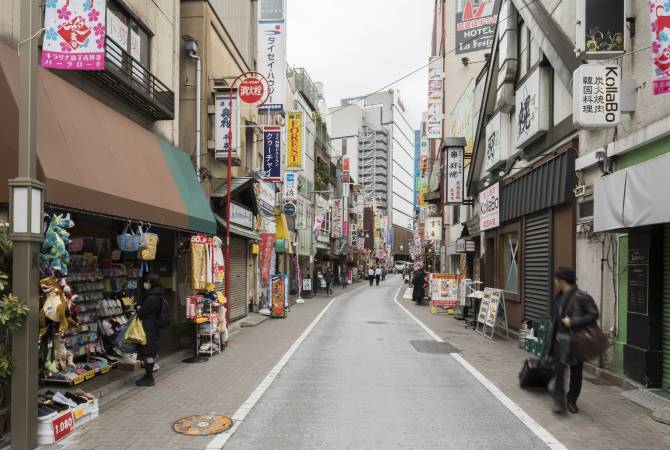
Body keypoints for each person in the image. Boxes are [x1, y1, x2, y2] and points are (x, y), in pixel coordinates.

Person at [549, 266, 598, 414]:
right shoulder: (558, 296)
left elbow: (594, 314)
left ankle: (571, 401)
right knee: (559, 371)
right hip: (561, 339)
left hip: (576, 340)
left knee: (576, 372)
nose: (555, 282)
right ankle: (559, 402)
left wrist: (573, 322)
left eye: (556, 279)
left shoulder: (582, 296)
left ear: (562, 280)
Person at [135, 273, 164, 386]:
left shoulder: (152, 297)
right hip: (153, 327)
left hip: (149, 328)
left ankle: (149, 377)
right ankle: (148, 375)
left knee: (148, 352)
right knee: (149, 352)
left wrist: (138, 308)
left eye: (146, 282)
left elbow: (142, 313)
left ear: (151, 283)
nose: (145, 284)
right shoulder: (158, 294)